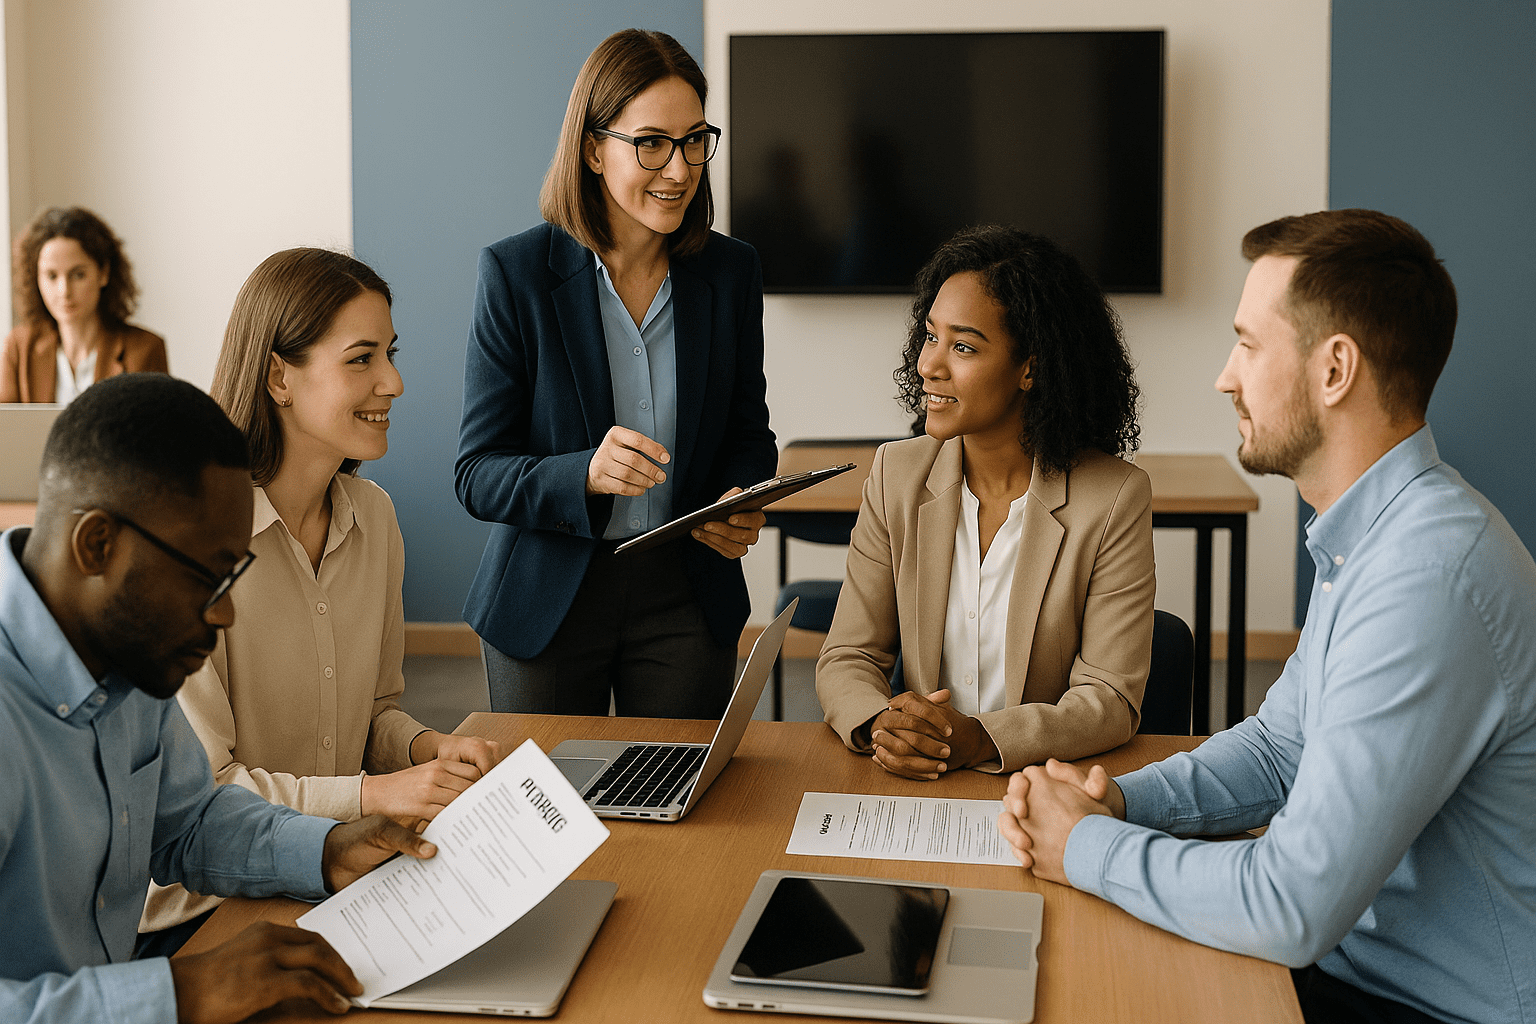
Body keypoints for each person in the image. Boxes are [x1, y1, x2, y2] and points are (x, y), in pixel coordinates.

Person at [998, 209, 1536, 1024]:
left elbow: (1290, 904)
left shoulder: (1427, 576)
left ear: (1335, 370)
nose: (1226, 377)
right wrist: (1115, 802)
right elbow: (1283, 749)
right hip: (1355, 972)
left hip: (1427, 1009)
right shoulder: (1377, 537)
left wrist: (1080, 845)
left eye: (1248, 345)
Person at [0, 373, 437, 1024]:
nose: (225, 614)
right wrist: (180, 993)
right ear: (96, 545)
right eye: (207, 579)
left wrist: (326, 849)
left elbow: (188, 823)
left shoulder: (125, 654)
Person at [138, 249, 501, 954]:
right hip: (203, 912)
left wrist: (428, 748)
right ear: (279, 376)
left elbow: (371, 715)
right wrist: (376, 795)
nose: (393, 382)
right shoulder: (191, 538)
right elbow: (205, 798)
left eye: (390, 354)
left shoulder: (376, 517)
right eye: (361, 359)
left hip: (336, 873)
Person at [456, 29, 777, 717]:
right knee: (546, 791)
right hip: (546, 595)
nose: (680, 170)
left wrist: (737, 499)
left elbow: (750, 433)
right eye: (652, 143)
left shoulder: (731, 272)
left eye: (695, 141)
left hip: (687, 595)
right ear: (594, 149)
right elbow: (477, 473)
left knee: (675, 785)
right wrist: (584, 474)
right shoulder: (516, 274)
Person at [816, 225, 1153, 779]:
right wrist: (883, 723)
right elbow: (848, 656)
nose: (929, 365)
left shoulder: (1114, 497)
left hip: (1038, 782)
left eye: (964, 346)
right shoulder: (896, 474)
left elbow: (1109, 697)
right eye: (931, 337)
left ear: (1031, 368)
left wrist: (982, 740)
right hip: (919, 783)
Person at [1, 206, 168, 403]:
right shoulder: (19, 348)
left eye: (78, 275)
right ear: (35, 278)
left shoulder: (145, 350)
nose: (64, 291)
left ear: (104, 273)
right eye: (52, 276)